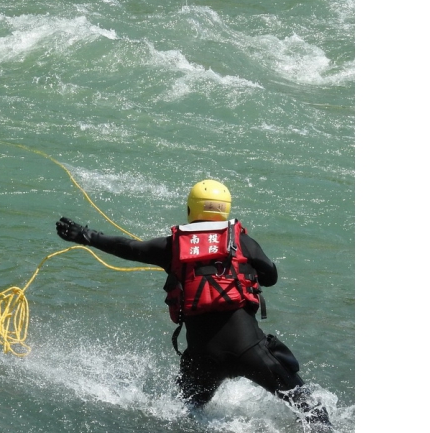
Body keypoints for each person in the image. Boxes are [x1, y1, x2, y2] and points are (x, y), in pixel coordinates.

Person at [54, 179, 332, 431]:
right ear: (226, 210)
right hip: (251, 352)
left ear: (190, 209)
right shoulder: (242, 242)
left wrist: (83, 234)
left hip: (202, 359)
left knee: (180, 415)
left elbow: (128, 248)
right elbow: (270, 277)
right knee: (313, 414)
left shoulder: (173, 246)